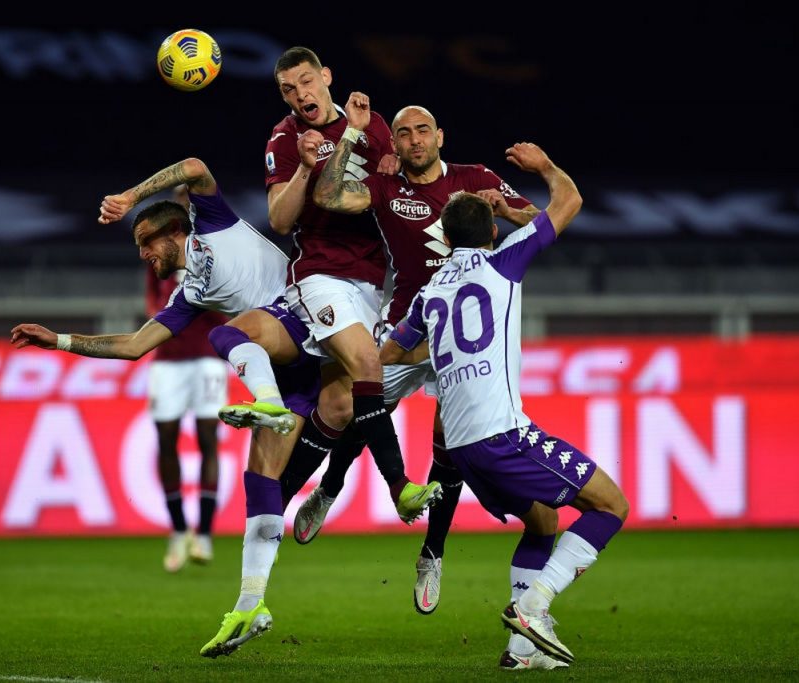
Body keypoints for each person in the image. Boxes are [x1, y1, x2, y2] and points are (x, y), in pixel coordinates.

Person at [10, 157, 320, 658]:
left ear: (174, 232)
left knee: (230, 335)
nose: (143, 256)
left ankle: (306, 454)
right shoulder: (190, 292)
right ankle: (250, 603)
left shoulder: (213, 222)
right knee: (260, 485)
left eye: (146, 244)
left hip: (308, 326)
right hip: (286, 367)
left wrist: (131, 196)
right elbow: (134, 345)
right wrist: (59, 340)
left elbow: (196, 167)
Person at [289, 98, 551, 650]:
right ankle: (328, 488)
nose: (411, 139)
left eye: (421, 130)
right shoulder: (385, 186)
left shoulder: (474, 177)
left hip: (463, 337)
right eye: (403, 132)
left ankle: (432, 552)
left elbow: (535, 218)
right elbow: (329, 195)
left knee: (447, 445)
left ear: (440, 136)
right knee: (353, 405)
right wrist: (355, 139)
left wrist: (501, 208)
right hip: (409, 324)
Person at [380, 142, 629, 667]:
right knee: (611, 506)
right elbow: (569, 201)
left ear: (444, 239)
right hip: (505, 436)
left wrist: (444, 349)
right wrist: (543, 168)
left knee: (542, 522)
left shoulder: (429, 293)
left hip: (462, 454)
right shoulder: (504, 261)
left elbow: (391, 350)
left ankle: (520, 652)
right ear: (491, 233)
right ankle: (533, 607)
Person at [262, 46, 441, 522]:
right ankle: (400, 486)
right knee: (368, 363)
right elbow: (279, 220)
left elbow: (406, 183)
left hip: (371, 282)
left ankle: (285, 497)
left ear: (326, 76)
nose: (300, 96)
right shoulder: (286, 137)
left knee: (342, 406)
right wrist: (307, 164)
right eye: (288, 90)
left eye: (305, 82)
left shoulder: (376, 124)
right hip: (320, 274)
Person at [145, 265, 228, 572]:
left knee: (208, 439)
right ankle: (179, 530)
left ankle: (204, 534)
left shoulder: (212, 247)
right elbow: (152, 298)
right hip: (167, 359)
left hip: (208, 354)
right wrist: (160, 317)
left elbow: (230, 299)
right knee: (166, 442)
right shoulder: (158, 247)